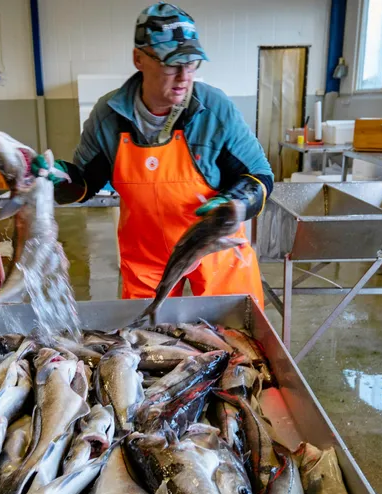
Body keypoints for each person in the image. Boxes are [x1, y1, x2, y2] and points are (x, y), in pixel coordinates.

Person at [43, 3, 273, 307]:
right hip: (145, 256)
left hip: (217, 248)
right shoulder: (109, 116)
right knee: (146, 341)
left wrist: (238, 204)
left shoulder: (214, 110)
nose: (183, 76)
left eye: (191, 63)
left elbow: (260, 176)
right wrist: (52, 179)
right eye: (171, 64)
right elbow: (85, 183)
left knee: (232, 337)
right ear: (139, 59)